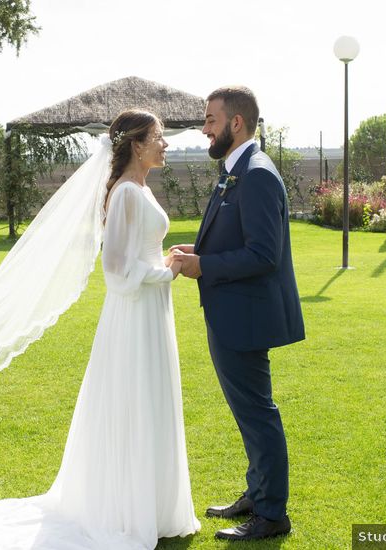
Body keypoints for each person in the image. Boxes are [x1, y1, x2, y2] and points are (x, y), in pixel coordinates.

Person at [0, 109, 201, 549]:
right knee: (133, 400)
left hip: (150, 312)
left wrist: (162, 259)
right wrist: (166, 271)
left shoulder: (139, 189)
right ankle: (123, 509)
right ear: (137, 145)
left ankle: (149, 506)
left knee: (148, 399)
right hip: (134, 315)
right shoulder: (125, 195)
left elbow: (138, 253)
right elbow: (115, 272)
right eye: (158, 137)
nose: (166, 144)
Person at [170, 85, 305, 541]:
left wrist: (203, 265)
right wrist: (197, 249)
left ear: (236, 123)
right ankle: (257, 492)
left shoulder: (258, 173)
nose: (204, 129)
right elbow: (238, 237)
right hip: (230, 314)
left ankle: (271, 514)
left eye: (210, 120)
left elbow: (264, 254)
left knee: (257, 413)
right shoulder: (237, 169)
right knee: (248, 413)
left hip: (245, 319)